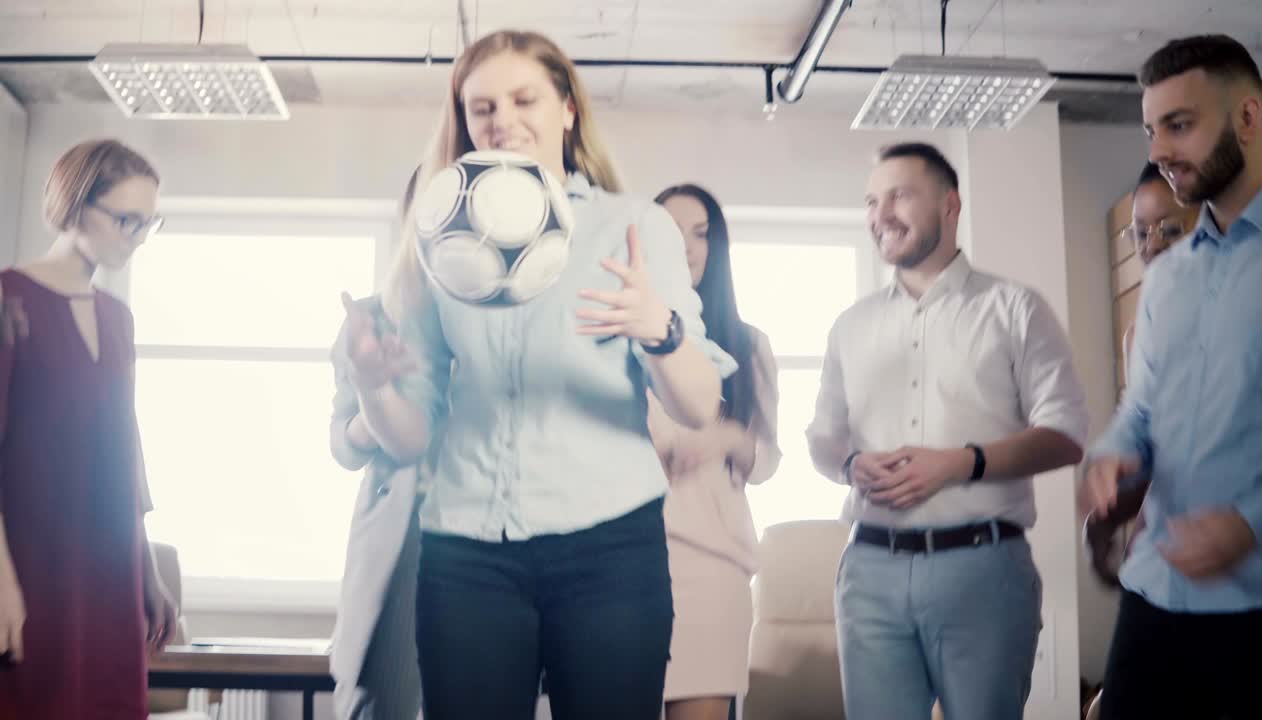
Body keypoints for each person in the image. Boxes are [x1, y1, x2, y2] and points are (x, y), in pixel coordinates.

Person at [339, 29, 734, 720]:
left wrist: (660, 331)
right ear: (464, 120)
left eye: (525, 100)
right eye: (482, 107)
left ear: (568, 109)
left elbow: (700, 406)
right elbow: (410, 436)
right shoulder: (438, 236)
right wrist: (372, 385)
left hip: (610, 549)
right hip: (466, 552)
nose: (503, 120)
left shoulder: (633, 227)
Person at [806, 142, 1088, 720]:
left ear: (950, 205)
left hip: (983, 570)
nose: (880, 214)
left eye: (899, 196)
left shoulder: (1015, 309)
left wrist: (962, 463)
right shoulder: (850, 326)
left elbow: (1065, 433)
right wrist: (849, 464)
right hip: (869, 572)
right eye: (871, 201)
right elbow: (822, 439)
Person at [1081, 34, 1262, 720]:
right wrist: (1111, 458)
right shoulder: (1167, 280)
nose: (1160, 149)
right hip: (1153, 595)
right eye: (1151, 130)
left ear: (1248, 118)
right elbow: (1141, 410)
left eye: (1179, 124)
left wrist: (1254, 523)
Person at [0, 138, 176, 719]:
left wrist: (147, 570)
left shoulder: (118, 318)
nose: (138, 237)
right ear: (76, 206)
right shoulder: (8, 298)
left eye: (148, 224)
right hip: (33, 557)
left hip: (111, 569)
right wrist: (1, 581)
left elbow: (125, 445)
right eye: (127, 220)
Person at [651, 184, 780, 720]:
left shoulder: (747, 343)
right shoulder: (615, 337)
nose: (686, 245)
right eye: (670, 231)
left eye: (701, 233)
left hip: (711, 565)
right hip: (620, 564)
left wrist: (728, 438)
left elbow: (766, 462)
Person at [328, 167, 426, 720]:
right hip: (405, 539)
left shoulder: (514, 315)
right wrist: (375, 392)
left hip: (496, 546)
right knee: (383, 703)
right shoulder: (372, 316)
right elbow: (343, 444)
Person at [1084, 161, 1199, 589]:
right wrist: (1109, 513)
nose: (1152, 245)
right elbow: (1158, 456)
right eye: (1140, 232)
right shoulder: (1139, 337)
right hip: (1170, 549)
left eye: (1170, 229)